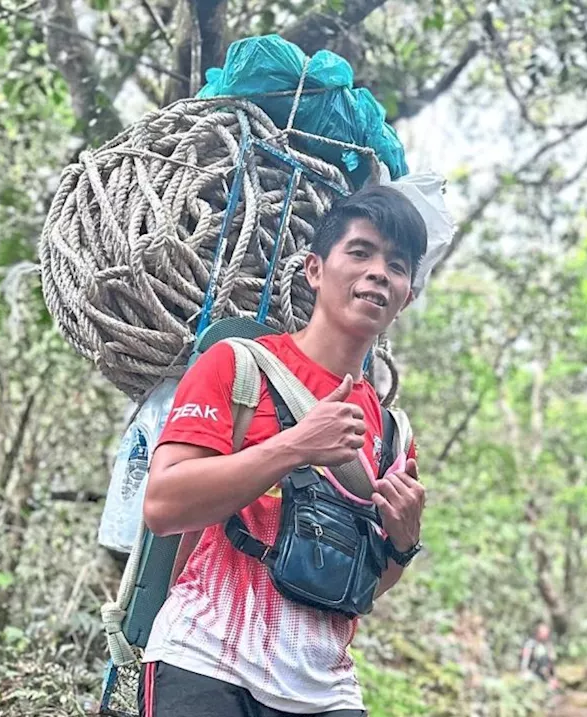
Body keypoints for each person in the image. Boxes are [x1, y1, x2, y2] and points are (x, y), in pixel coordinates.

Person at [138, 186, 429, 717]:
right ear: (315, 270)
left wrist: (403, 546)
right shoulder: (238, 368)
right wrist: (294, 445)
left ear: (406, 295)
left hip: (323, 689)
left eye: (397, 264)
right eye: (360, 252)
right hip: (204, 660)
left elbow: (360, 581)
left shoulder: (392, 434)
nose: (378, 273)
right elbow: (163, 505)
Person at [519, 622, 558, 689]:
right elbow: (525, 659)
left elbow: (551, 662)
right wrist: (524, 671)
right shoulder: (530, 644)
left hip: (544, 675)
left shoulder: (548, 645)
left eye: (547, 633)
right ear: (538, 633)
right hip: (532, 673)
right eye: (544, 633)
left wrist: (553, 677)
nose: (546, 635)